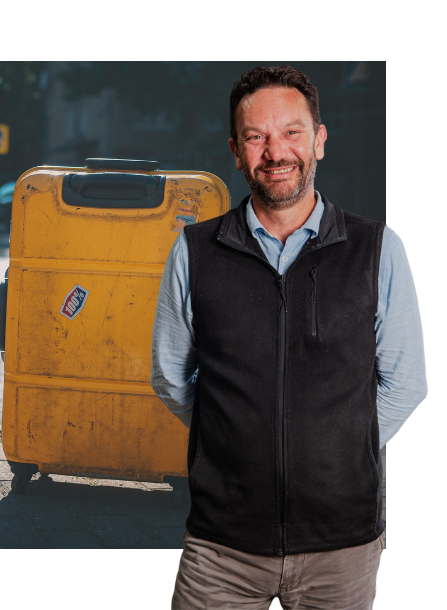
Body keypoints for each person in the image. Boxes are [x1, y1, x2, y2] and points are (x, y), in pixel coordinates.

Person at [150, 65, 427, 609]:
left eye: (291, 132)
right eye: (256, 137)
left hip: (342, 548)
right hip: (221, 547)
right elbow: (170, 375)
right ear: (236, 152)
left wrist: (335, 451)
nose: (276, 152)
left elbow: (406, 383)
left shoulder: (376, 249)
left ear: (319, 140)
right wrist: (235, 445)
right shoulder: (194, 252)